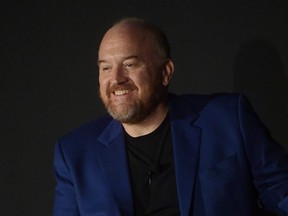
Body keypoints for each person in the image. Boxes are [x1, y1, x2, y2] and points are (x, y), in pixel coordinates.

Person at [53, 18, 288, 216]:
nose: (116, 79)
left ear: (165, 72)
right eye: (105, 68)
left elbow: (282, 196)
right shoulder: (74, 153)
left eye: (130, 64)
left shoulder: (228, 119)